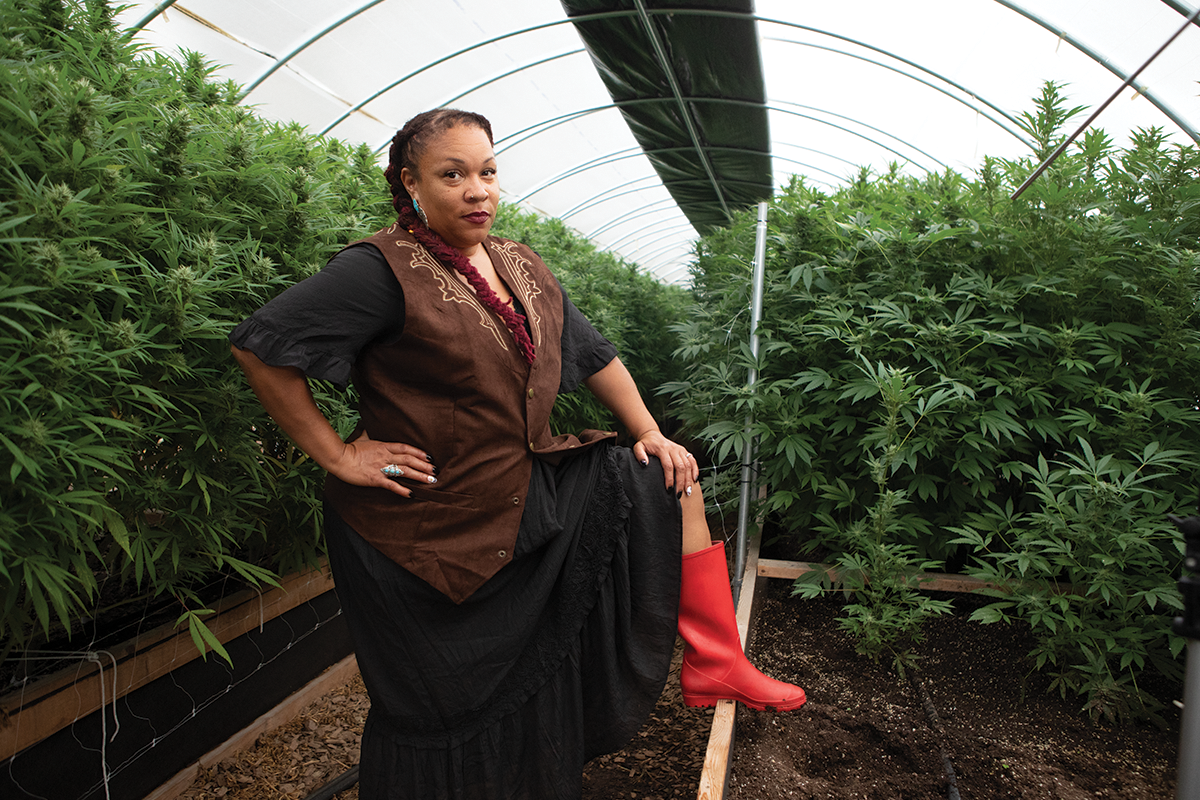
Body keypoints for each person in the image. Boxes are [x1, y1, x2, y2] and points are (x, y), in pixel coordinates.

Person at [229, 108, 805, 799]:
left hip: (514, 490)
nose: (478, 190)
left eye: (488, 172)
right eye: (453, 175)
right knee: (446, 708)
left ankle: (716, 659)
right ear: (411, 183)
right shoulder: (379, 269)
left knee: (667, 476)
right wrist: (337, 454)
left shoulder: (518, 262)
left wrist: (650, 432)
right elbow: (262, 345)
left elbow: (592, 354)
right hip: (422, 527)